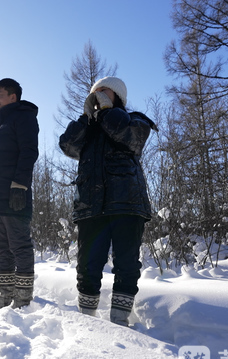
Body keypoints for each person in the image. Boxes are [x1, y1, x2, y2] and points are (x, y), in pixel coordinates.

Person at [58, 76, 157, 326]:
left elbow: (130, 138)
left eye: (104, 91)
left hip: (127, 204)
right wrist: (86, 117)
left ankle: (119, 320)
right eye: (95, 92)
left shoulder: (135, 120)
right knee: (87, 265)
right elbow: (67, 145)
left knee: (126, 264)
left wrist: (106, 112)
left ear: (118, 96)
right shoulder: (87, 128)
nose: (98, 94)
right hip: (90, 206)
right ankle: (87, 319)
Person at [0, 78, 39, 309]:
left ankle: (23, 299)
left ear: (13, 96)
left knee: (20, 246)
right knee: (2, 249)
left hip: (14, 196)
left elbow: (29, 152)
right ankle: (6, 296)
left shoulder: (24, 117)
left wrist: (19, 186)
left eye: (0, 94)